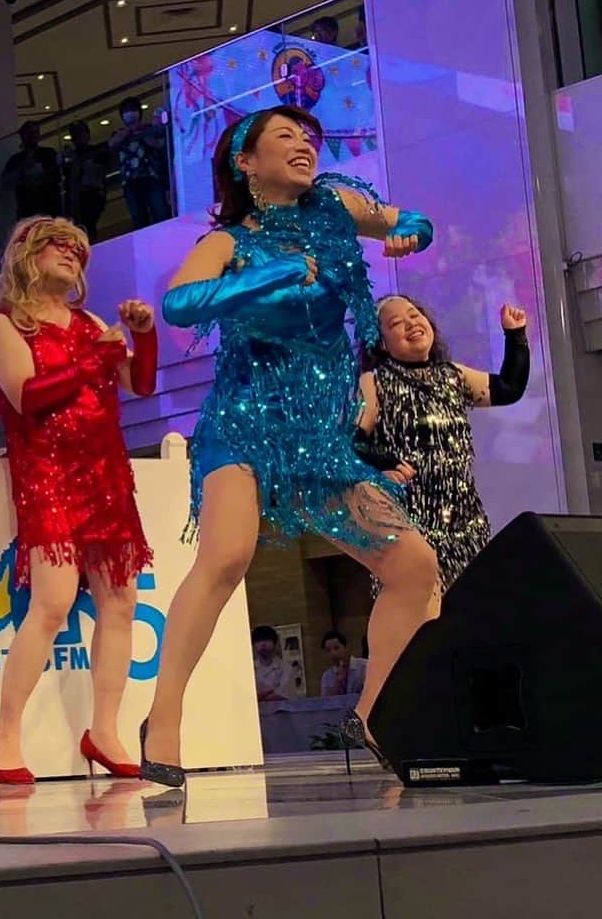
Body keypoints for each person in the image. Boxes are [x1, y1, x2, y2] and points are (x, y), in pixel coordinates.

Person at [139, 107, 440, 787]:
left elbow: (413, 219)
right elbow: (180, 304)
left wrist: (411, 234)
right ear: (245, 162)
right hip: (245, 419)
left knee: (414, 566)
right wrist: (269, 275)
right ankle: (163, 719)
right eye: (284, 136)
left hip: (319, 435)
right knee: (226, 556)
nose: (303, 143)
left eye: (307, 136)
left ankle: (372, 713)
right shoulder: (228, 240)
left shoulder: (336, 207)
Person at [0, 215, 158, 783]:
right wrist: (92, 363)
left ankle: (104, 729)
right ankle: (4, 734)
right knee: (52, 603)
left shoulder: (91, 324)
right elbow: (27, 397)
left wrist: (144, 336)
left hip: (106, 475)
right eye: (58, 246)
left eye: (78, 251)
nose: (71, 255)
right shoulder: (7, 324)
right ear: (27, 254)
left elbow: (141, 384)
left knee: (121, 602)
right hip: (49, 474)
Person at [357, 295, 530, 594]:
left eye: (415, 315)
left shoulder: (453, 375)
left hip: (466, 526)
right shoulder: (374, 382)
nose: (411, 323)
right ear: (381, 343)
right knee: (422, 609)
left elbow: (508, 388)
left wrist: (515, 335)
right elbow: (352, 441)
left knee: (476, 606)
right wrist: (385, 462)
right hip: (412, 528)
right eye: (396, 323)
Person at [108, 99, 169, 230]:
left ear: (139, 112)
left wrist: (142, 133)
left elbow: (158, 145)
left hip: (151, 177)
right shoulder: (118, 133)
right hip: (130, 182)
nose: (129, 112)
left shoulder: (148, 129)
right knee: (139, 218)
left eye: (132, 109)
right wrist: (129, 130)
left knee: (160, 212)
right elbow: (112, 144)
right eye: (126, 110)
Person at [0, 121, 63, 220]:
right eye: (27, 133)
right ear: (22, 137)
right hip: (27, 207)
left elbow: (57, 174)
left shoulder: (49, 153)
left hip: (48, 206)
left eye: (33, 132)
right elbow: (5, 181)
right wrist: (23, 169)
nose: (31, 136)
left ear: (38, 135)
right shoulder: (16, 159)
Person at [63, 120, 110, 243]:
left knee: (88, 226)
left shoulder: (96, 152)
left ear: (87, 134)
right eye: (75, 134)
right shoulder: (70, 158)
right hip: (76, 198)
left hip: (92, 195)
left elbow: (98, 172)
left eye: (80, 132)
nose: (78, 137)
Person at [319, 630, 367, 697]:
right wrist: (337, 682)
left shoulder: (365, 666)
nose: (333, 653)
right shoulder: (327, 676)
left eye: (336, 648)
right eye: (328, 650)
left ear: (346, 647)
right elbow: (325, 701)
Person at [251, 625, 291, 702]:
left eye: (267, 640)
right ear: (253, 645)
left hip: (281, 709)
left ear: (275, 643)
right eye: (258, 641)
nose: (263, 644)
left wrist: (259, 697)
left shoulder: (286, 668)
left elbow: (285, 695)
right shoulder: (250, 669)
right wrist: (271, 691)